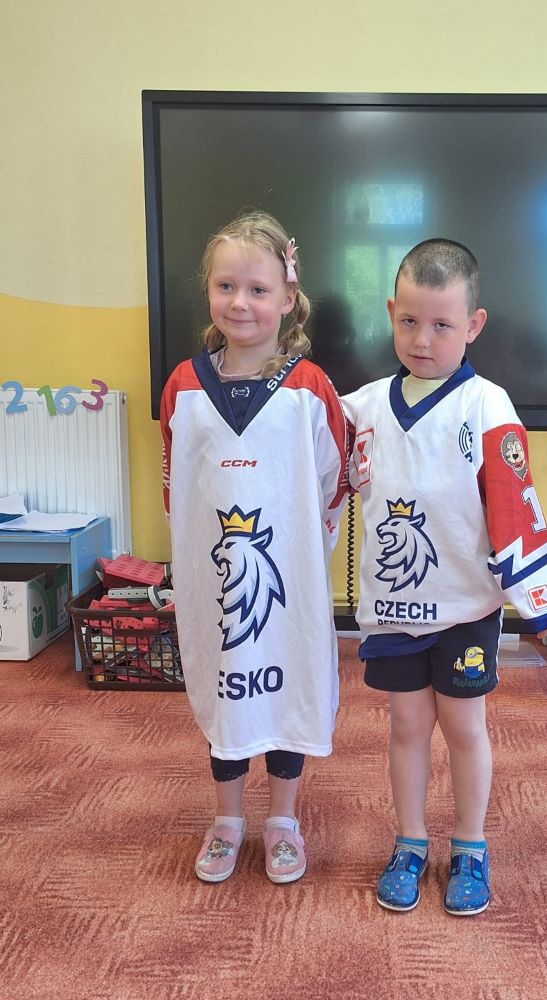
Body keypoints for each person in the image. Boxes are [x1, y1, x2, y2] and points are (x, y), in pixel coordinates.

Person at [342, 238, 547, 916]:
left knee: (465, 727)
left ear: (473, 325)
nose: (423, 339)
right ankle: (410, 842)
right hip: (393, 610)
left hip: (466, 610)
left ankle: (470, 846)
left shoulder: (488, 406)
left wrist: (542, 606)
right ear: (391, 311)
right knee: (406, 725)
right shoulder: (361, 407)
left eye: (442, 324)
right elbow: (307, 459)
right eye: (410, 321)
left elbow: (514, 504)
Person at [160, 211, 348, 885]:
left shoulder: (309, 388)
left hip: (286, 577)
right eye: (226, 286)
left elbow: (332, 478)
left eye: (258, 289)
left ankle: (283, 820)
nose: (240, 302)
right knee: (227, 690)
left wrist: (306, 546)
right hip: (217, 581)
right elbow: (176, 483)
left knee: (286, 689)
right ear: (208, 290)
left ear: (288, 297)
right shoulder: (184, 386)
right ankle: (228, 819)